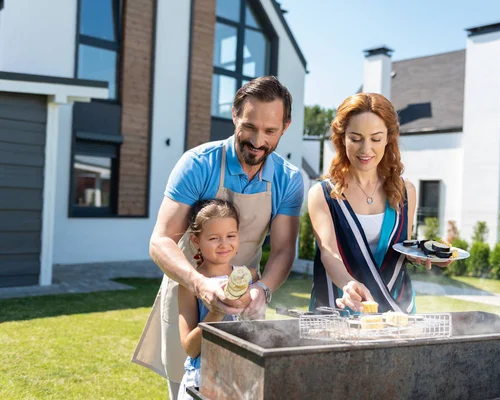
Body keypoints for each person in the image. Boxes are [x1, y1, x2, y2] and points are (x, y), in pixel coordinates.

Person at [132, 76, 304, 399]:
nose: (257, 140)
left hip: (246, 300)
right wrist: (199, 285)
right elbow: (160, 240)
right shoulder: (197, 164)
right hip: (188, 289)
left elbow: (283, 250)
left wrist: (262, 290)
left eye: (270, 131)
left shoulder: (289, 179)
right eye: (250, 126)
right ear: (235, 114)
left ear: (286, 126)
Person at [308, 92, 449, 315]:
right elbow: (329, 254)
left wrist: (424, 256)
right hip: (341, 307)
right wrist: (347, 284)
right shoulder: (323, 194)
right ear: (341, 138)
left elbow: (402, 247)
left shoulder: (405, 191)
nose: (366, 149)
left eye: (375, 139)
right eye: (355, 138)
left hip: (396, 309)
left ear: (388, 139)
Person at [177, 199, 258, 399]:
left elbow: (257, 328)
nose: (224, 244)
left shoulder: (250, 276)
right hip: (203, 379)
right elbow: (190, 348)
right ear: (196, 241)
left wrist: (250, 301)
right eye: (214, 238)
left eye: (231, 236)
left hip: (243, 379)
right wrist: (216, 312)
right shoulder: (190, 285)